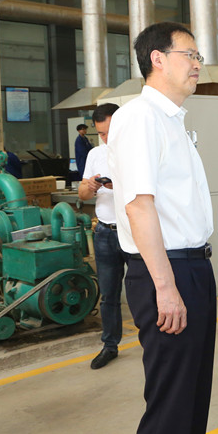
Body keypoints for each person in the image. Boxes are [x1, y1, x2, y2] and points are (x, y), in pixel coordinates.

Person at [107, 22, 216, 434]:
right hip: (166, 272)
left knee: (193, 391)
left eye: (198, 57)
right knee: (172, 400)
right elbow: (138, 205)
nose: (197, 64)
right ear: (158, 59)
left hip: (192, 267)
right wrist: (166, 288)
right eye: (190, 55)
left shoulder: (171, 120)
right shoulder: (140, 117)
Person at [78, 103, 126, 370]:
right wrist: (92, 186)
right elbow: (82, 194)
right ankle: (110, 345)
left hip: (133, 231)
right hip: (105, 233)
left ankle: (154, 343)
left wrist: (117, 184)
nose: (105, 138)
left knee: (145, 292)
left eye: (108, 132)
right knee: (108, 294)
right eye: (101, 134)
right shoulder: (95, 154)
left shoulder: (136, 150)